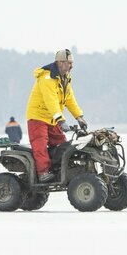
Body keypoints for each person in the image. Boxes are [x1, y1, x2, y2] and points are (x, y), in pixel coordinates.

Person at [26, 48, 87, 182]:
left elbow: (70, 99)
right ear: (59, 62)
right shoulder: (47, 78)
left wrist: (79, 117)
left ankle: (59, 170)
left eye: (72, 63)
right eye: (69, 63)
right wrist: (60, 119)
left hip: (52, 118)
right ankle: (43, 173)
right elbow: (51, 100)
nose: (72, 66)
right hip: (38, 117)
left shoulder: (65, 78)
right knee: (40, 145)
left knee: (62, 144)